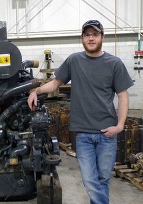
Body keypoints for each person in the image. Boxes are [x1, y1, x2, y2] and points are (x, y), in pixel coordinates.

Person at [28, 20, 134, 204]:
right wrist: (35, 91)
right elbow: (55, 83)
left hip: (107, 133)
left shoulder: (114, 63)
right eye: (87, 35)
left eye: (95, 34)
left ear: (102, 37)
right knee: (90, 180)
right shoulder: (74, 61)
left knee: (103, 180)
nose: (91, 38)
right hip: (83, 133)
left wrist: (119, 126)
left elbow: (123, 96)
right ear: (82, 38)